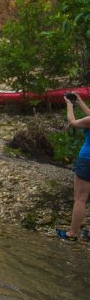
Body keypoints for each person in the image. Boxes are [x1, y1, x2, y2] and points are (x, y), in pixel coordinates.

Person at [57, 92, 90, 241]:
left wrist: (69, 105)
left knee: (80, 199)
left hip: (87, 159)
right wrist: (80, 102)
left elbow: (73, 122)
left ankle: (72, 234)